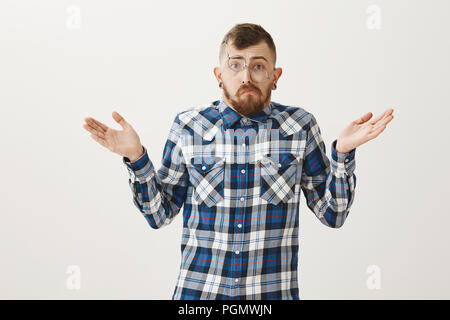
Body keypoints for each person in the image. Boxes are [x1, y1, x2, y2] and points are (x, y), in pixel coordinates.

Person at [82, 23, 394, 300]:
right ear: (219, 75)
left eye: (258, 66)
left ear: (275, 75)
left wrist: (342, 155)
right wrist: (136, 158)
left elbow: (333, 215)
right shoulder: (188, 126)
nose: (246, 76)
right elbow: (159, 215)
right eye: (235, 65)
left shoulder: (301, 126)